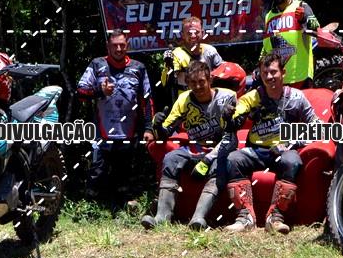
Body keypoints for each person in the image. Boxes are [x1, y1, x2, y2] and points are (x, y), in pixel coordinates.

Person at [223, 53, 321, 234]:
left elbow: (318, 128)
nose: (269, 77)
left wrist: (291, 143)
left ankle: (275, 218)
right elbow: (238, 110)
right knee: (233, 159)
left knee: (292, 161)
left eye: (274, 72)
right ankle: (245, 218)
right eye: (265, 73)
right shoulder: (253, 97)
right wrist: (230, 116)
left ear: (283, 72)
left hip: (284, 151)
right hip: (256, 151)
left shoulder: (297, 97)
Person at [141, 61, 236, 230]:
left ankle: (198, 218)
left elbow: (231, 137)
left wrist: (207, 160)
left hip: (220, 148)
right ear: (187, 83)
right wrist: (158, 126)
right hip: (195, 148)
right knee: (170, 158)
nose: (197, 87)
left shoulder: (227, 97)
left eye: (201, 82)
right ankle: (162, 217)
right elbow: (166, 132)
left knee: (219, 166)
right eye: (193, 82)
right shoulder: (184, 99)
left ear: (210, 80)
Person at [77, 30, 154, 199]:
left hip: (129, 132)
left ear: (127, 46)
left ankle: (124, 204)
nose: (118, 49)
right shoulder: (97, 64)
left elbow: (147, 100)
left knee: (125, 179)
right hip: (102, 132)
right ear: (108, 46)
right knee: (97, 175)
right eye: (114, 45)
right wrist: (100, 91)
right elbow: (80, 92)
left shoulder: (138, 67)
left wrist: (149, 127)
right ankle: (92, 208)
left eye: (122, 45)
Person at [260, 0, 320, 88]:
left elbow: (316, 29)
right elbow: (266, 46)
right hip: (277, 80)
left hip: (301, 78)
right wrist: (259, 65)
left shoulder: (301, 6)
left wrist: (303, 20)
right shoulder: (269, 16)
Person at [159, 16, 224, 107]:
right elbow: (165, 82)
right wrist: (168, 66)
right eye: (189, 33)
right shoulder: (177, 54)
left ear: (202, 33)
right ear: (182, 35)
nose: (193, 36)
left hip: (210, 103)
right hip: (187, 105)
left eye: (196, 32)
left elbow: (224, 73)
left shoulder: (210, 51)